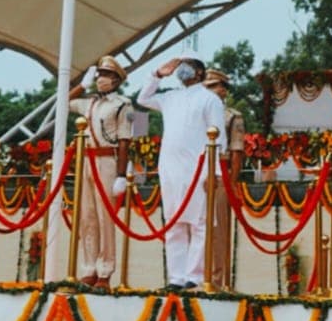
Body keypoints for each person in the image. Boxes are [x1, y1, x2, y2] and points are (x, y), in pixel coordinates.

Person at [138, 57, 225, 289]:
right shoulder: (170, 97)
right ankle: (176, 277)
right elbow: (142, 98)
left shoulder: (210, 99)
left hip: (198, 170)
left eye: (187, 66)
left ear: (199, 72)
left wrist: (214, 172)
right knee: (174, 223)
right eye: (180, 66)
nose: (181, 70)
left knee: (198, 224)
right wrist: (158, 73)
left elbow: (218, 139)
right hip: (170, 169)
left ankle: (193, 277)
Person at [67, 55, 134, 288]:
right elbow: (62, 104)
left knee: (106, 217)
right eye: (100, 74)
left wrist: (121, 175)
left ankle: (105, 270)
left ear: (116, 79)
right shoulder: (89, 102)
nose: (101, 79)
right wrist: (82, 85)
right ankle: (89, 267)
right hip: (86, 160)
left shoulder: (123, 104)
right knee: (87, 217)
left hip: (107, 160)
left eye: (106, 75)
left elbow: (125, 140)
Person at [203, 69, 247, 291]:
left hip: (221, 171)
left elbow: (237, 151)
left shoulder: (232, 116)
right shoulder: (197, 113)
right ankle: (196, 277)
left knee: (218, 229)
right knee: (196, 227)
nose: (211, 91)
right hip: (198, 172)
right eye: (208, 86)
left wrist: (231, 183)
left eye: (215, 86)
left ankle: (218, 280)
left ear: (223, 90)